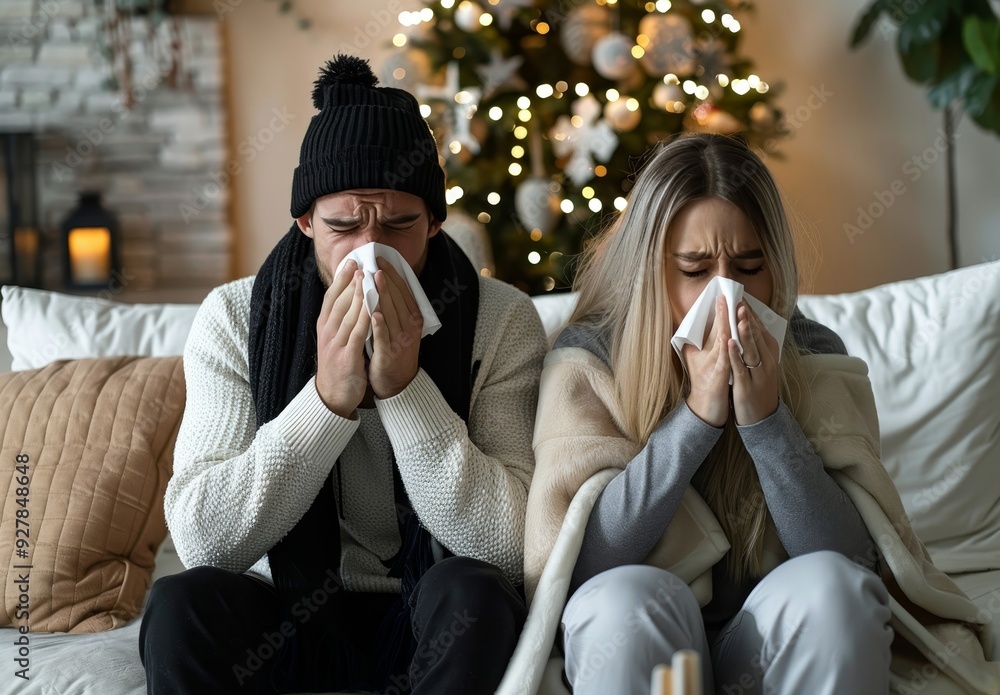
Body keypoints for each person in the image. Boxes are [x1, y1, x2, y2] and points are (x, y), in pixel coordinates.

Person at [139, 54, 547, 694]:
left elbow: (510, 546)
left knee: (474, 593)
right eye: (342, 226)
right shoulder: (233, 317)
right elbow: (204, 543)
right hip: (291, 616)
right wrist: (325, 403)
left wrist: (407, 391)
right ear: (304, 223)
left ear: (436, 223)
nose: (369, 250)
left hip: (426, 610)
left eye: (400, 225)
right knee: (180, 606)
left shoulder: (500, 321)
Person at [525, 133, 908, 694]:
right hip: (654, 630)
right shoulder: (591, 360)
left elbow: (857, 561)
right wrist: (696, 421)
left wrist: (766, 421)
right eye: (696, 270)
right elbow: (576, 570)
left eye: (749, 266)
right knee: (620, 605)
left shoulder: (811, 350)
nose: (726, 295)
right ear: (650, 271)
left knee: (834, 590)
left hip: (770, 636)